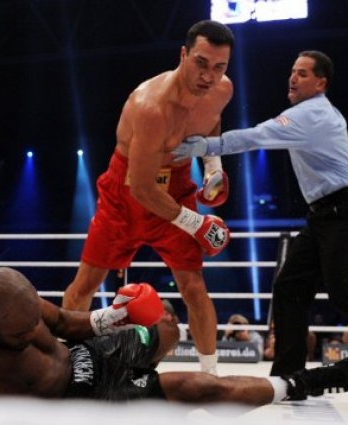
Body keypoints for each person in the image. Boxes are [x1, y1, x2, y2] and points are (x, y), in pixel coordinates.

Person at [172, 50, 348, 410]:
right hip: (325, 214)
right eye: (292, 71)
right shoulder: (313, 113)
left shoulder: (311, 114)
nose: (293, 78)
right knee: (290, 287)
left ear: (321, 83)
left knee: (344, 294)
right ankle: (289, 377)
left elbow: (257, 136)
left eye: (302, 73)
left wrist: (207, 146)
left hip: (346, 211)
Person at [0, 267, 348, 404]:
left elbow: (63, 325)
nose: (28, 333)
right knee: (199, 386)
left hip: (84, 354)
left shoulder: (15, 297)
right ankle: (303, 383)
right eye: (19, 334)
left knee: (164, 323)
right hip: (83, 397)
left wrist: (112, 316)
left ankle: (143, 374)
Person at [63, 20, 235, 375]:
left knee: (194, 287)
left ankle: (211, 376)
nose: (209, 76)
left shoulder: (222, 90)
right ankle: (69, 367)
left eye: (219, 67)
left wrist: (213, 166)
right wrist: (197, 223)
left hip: (177, 185)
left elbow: (212, 123)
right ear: (183, 54)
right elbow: (142, 189)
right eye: (201, 63)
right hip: (127, 193)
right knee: (85, 284)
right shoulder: (151, 106)